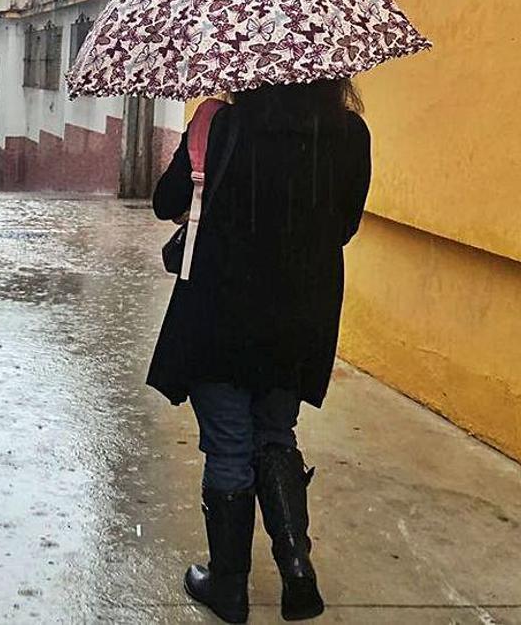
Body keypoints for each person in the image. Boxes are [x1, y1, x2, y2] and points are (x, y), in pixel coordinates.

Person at [148, 79, 372, 624]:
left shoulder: (218, 125)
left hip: (221, 310)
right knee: (275, 434)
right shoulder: (350, 134)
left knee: (228, 445)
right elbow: (344, 226)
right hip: (301, 316)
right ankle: (298, 574)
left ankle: (229, 588)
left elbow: (166, 204)